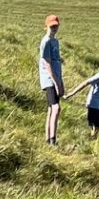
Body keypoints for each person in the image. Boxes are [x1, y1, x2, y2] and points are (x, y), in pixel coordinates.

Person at [38, 15, 66, 145]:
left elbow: (56, 62)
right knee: (56, 108)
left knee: (51, 109)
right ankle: (53, 140)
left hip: (55, 78)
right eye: (52, 26)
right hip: (49, 79)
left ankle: (48, 138)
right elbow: (47, 64)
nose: (54, 28)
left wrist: (60, 82)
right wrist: (56, 82)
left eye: (56, 26)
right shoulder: (46, 41)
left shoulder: (55, 41)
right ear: (46, 27)